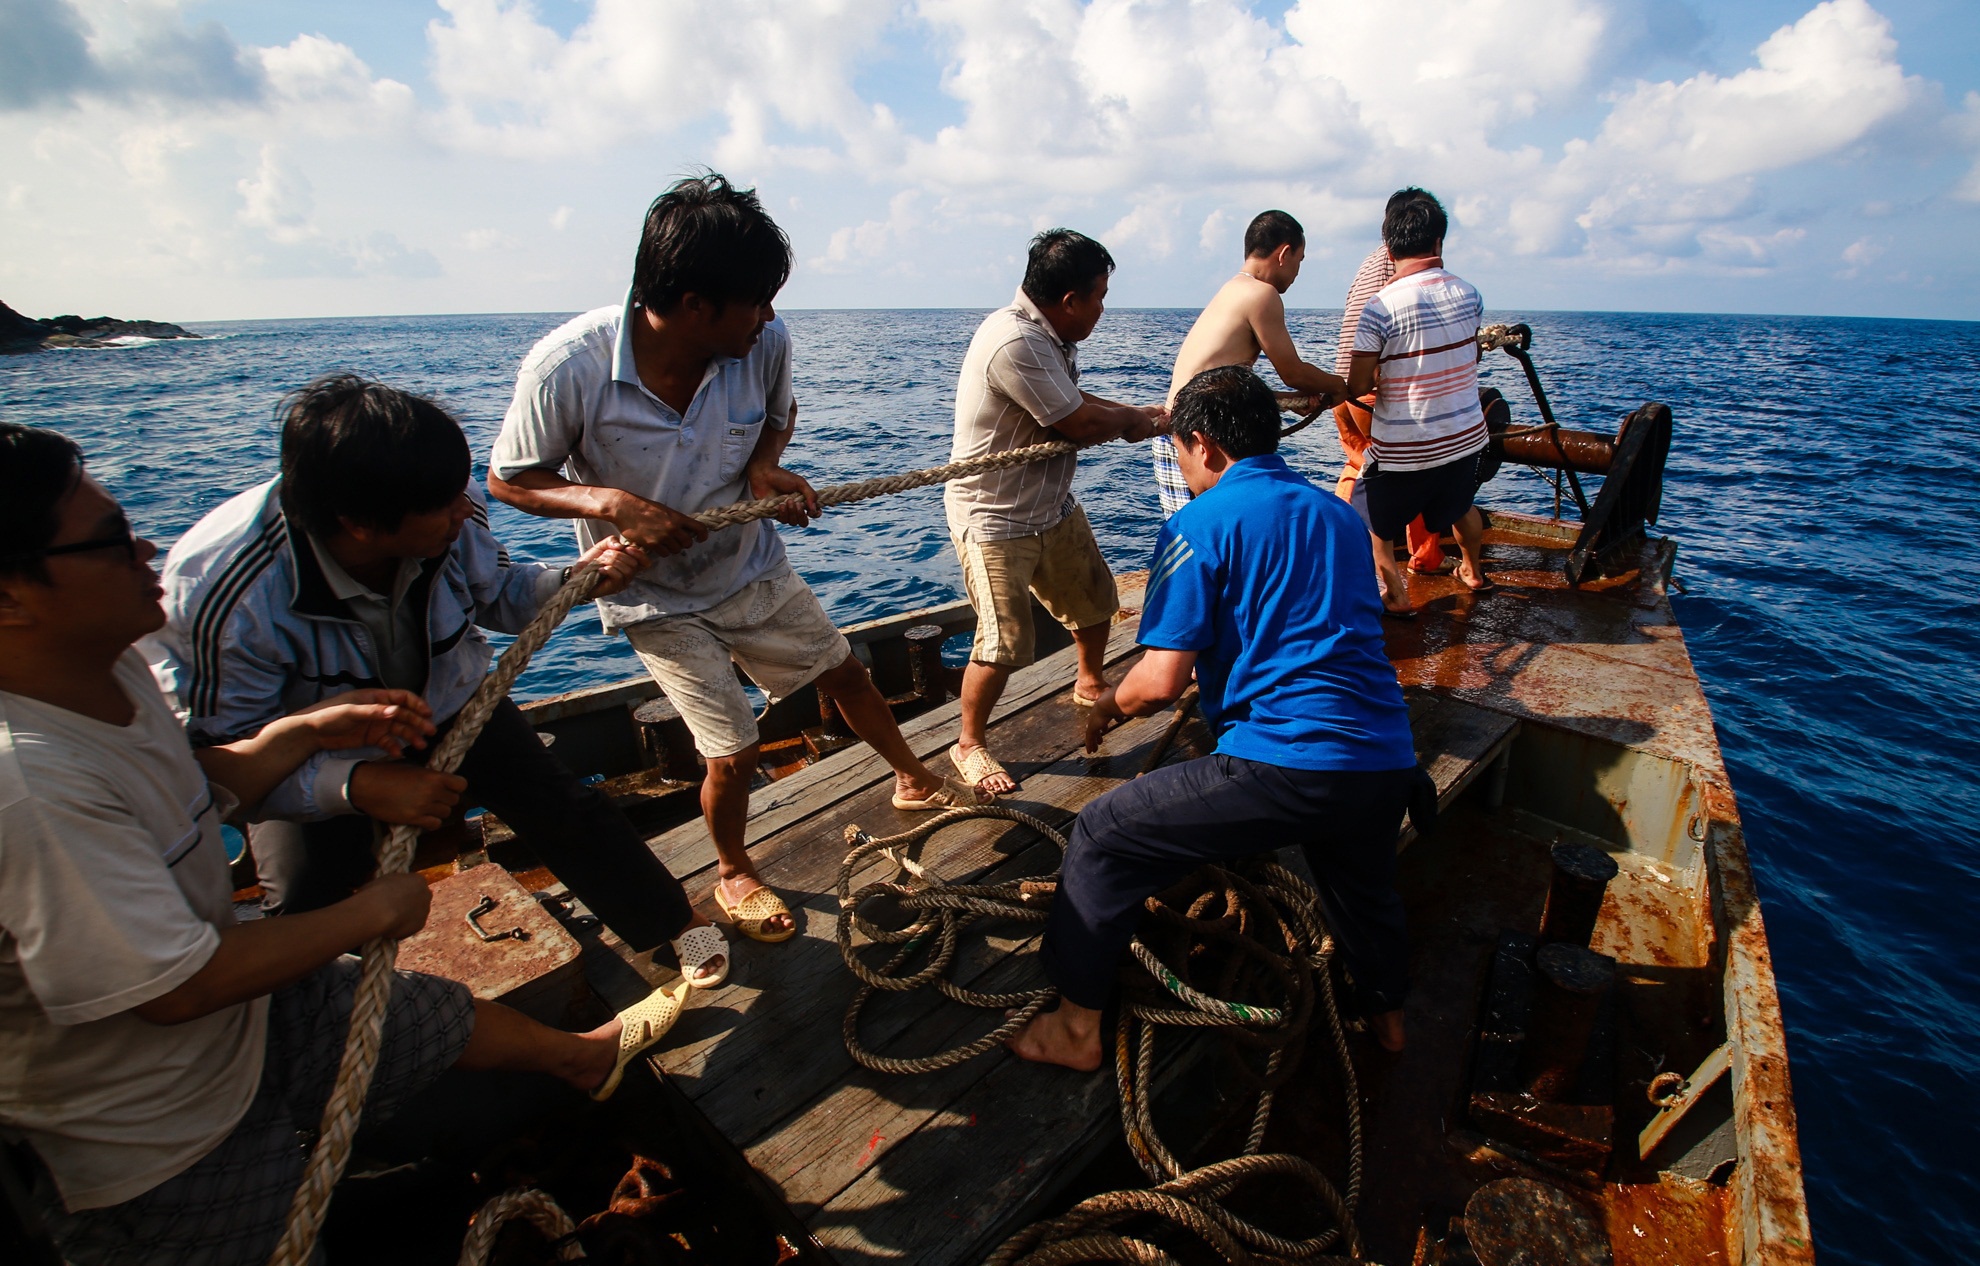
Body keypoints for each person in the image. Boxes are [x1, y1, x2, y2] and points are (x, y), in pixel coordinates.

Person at [0, 424, 688, 1266]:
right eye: (113, 539)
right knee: (309, 908)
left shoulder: (98, 669)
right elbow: (177, 987)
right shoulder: (37, 779)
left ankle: (587, 1053)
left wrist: (298, 732)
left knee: (431, 996)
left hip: (263, 958)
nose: (144, 546)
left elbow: (196, 779)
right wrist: (355, 817)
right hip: (159, 1123)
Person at [488, 173, 982, 950]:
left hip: (749, 564)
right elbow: (510, 479)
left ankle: (914, 779)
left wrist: (763, 467)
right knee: (735, 748)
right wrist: (612, 503)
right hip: (652, 594)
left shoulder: (763, 344)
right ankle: (732, 870)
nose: (770, 318)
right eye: (756, 302)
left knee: (845, 671)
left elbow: (780, 416)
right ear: (694, 306)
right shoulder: (567, 368)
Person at [146, 375, 736, 989]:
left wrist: (572, 580)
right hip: (312, 752)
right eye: (445, 505)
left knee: (565, 808)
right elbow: (227, 766)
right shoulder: (225, 588)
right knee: (303, 889)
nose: (465, 510)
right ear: (359, 524)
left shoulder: (446, 505)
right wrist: (354, 784)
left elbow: (496, 593)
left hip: (454, 702)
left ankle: (671, 920)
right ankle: (322, 1011)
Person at [1004, 366, 1423, 1072]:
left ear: (1203, 444)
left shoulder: (1195, 525)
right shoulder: (1336, 515)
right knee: (1362, 891)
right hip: (1385, 760)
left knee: (1102, 834)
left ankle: (1074, 1030)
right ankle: (1390, 1023)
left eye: (1177, 450)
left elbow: (1160, 682)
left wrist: (1105, 707)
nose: (1180, 466)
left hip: (1286, 765)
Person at [944, 229, 1168, 795]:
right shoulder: (1014, 342)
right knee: (1003, 642)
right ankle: (968, 743)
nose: (1102, 309)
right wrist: (1130, 419)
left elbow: (1076, 402)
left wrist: (1134, 411)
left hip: (1050, 505)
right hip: (995, 516)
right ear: (1070, 301)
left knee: (1094, 600)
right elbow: (1077, 423)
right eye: (1100, 297)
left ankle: (1089, 681)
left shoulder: (1047, 337)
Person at [1345, 188, 1493, 607]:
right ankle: (1473, 571)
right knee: (1461, 506)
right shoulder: (1470, 294)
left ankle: (1396, 597)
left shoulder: (1379, 307)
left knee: (1371, 520)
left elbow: (1358, 384)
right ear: (1438, 242)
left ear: (1389, 249)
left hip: (1405, 449)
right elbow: (1471, 352)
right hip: (1464, 438)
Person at [1152, 210, 1346, 517]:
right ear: (1284, 253)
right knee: (1207, 532)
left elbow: (1221, 384)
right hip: (1193, 439)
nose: (1297, 272)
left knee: (1206, 533)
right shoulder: (1261, 295)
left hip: (1184, 431)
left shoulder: (1233, 289)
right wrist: (1340, 385)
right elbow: (1293, 372)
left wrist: (1285, 401)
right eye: (1299, 260)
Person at [1331, 235, 1448, 590]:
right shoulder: (1407, 271)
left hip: (1342, 389)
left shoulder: (1367, 263)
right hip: (1373, 391)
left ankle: (1341, 545)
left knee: (1359, 464)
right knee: (1419, 467)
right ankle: (1425, 556)